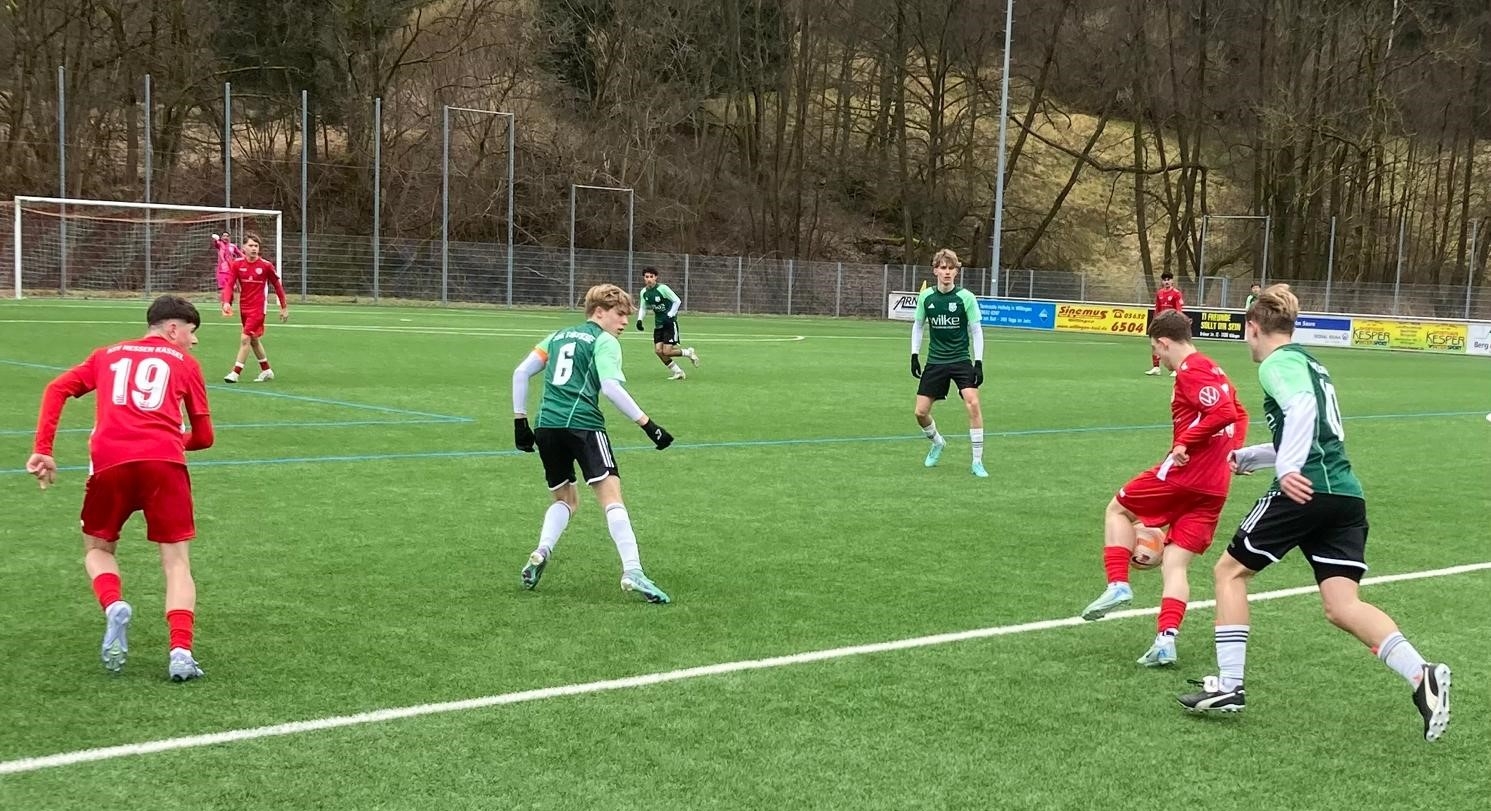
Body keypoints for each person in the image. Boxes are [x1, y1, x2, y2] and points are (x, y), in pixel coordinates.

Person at [1178, 284, 1452, 742]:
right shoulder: (1311, 363)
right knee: (1342, 605)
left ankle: (1229, 686)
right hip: (1345, 495)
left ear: (1253, 327)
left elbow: (1301, 408)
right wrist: (1258, 456)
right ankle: (1421, 674)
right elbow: (1316, 432)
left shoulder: (1277, 364)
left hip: (1305, 491)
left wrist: (1286, 468)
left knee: (1229, 572)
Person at [26, 295, 215, 681]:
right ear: (173, 329)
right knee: (176, 562)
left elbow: (56, 389)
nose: (193, 341)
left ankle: (113, 604)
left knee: (97, 549)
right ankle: (180, 652)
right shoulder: (186, 363)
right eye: (191, 332)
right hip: (164, 464)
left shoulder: (105, 355)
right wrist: (168, 440)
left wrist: (43, 449)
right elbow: (205, 436)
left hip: (109, 462)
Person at [1080, 310, 1249, 668]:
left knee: (1117, 509)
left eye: (1156, 349)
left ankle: (1118, 584)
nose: (1158, 356)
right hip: (1216, 485)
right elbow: (1239, 412)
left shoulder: (1191, 370)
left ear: (1164, 342)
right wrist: (1233, 454)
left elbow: (1223, 413)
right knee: (1174, 563)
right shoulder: (1216, 369)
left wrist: (1185, 442)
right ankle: (1165, 641)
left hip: (1187, 475)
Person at [512, 283, 675, 603]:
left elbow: (520, 373)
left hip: (547, 427)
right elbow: (611, 388)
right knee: (611, 497)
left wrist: (520, 422)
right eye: (619, 314)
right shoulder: (605, 340)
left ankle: (541, 551)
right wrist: (649, 426)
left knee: (565, 499)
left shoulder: (556, 337)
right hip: (584, 426)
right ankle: (633, 570)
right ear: (599, 312)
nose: (624, 321)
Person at [911, 248, 987, 477]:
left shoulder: (966, 298)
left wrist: (978, 362)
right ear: (935, 270)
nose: (947, 272)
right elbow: (918, 326)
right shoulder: (926, 297)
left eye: (951, 268)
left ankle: (977, 462)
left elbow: (976, 331)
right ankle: (937, 442)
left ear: (956, 272)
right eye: (942, 267)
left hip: (960, 359)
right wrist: (914, 354)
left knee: (973, 403)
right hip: (935, 360)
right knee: (920, 412)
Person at [220, 233, 288, 383]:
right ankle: (266, 370)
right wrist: (226, 302)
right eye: (250, 245)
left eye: (256, 246)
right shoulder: (237, 265)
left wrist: (283, 306)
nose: (254, 248)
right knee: (253, 340)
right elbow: (229, 284)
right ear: (243, 248)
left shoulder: (266, 266)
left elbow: (277, 286)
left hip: (258, 309)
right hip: (244, 307)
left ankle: (235, 373)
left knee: (245, 338)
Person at [635, 267, 699, 380]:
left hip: (669, 323)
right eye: (646, 277)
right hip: (658, 325)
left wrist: (670, 314)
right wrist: (639, 320)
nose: (649, 279)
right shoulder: (644, 292)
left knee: (667, 351)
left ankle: (688, 352)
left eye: (651, 276)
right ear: (643, 278)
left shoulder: (662, 288)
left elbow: (677, 300)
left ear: (656, 277)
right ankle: (678, 372)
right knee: (658, 351)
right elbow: (643, 308)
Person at [1147, 271, 1185, 376]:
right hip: (1161, 323)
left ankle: (1175, 368)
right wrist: (1155, 321)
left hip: (1171, 323)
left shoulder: (1176, 293)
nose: (1166, 282)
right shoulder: (1159, 293)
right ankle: (1156, 367)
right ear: (1162, 281)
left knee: (1172, 346)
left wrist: (1177, 322)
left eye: (1169, 279)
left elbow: (1178, 310)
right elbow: (1157, 309)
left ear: (1172, 281)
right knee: (1155, 344)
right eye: (1164, 280)